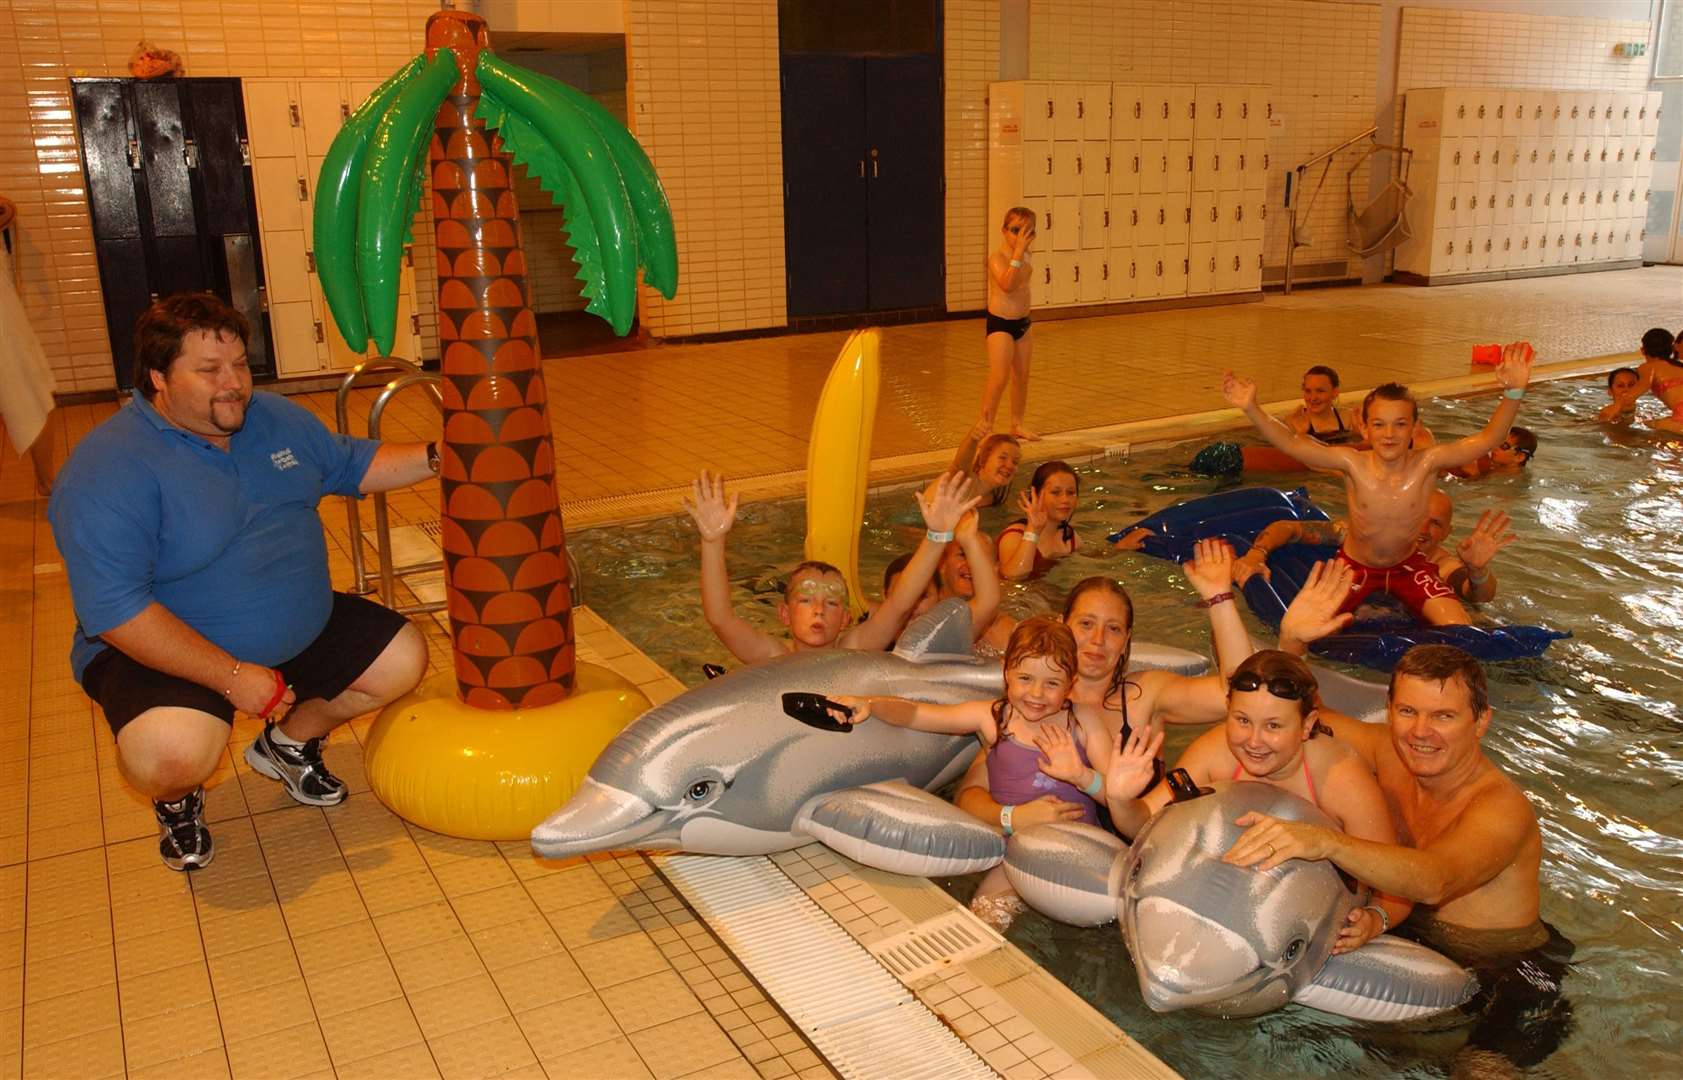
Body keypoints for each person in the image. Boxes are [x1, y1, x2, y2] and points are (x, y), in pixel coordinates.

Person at [46, 293, 433, 871]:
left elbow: (351, 464)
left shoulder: (273, 420)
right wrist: (231, 677)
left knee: (403, 659)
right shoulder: (108, 469)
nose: (233, 385)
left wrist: (443, 455)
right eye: (208, 371)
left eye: (239, 366)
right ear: (158, 377)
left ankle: (287, 744)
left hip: (297, 624)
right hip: (168, 648)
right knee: (168, 757)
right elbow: (117, 612)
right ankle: (178, 802)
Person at [1223, 644, 1570, 1072]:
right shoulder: (1388, 751)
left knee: (1477, 1070)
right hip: (1411, 933)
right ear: (1389, 710)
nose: (1421, 732)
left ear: (1481, 722)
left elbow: (1434, 881)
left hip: (1506, 971)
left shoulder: (1500, 809)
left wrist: (1326, 842)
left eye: (1443, 716)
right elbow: (1277, 714)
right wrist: (1290, 641)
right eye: (1408, 711)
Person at [1105, 649, 1411, 953]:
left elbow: (1399, 880)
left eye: (1273, 726)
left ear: (1307, 724)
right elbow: (1144, 823)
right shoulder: (1215, 753)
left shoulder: (1341, 779)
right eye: (1242, 720)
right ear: (1228, 710)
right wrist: (1119, 799)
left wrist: (1375, 919)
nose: (1253, 741)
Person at [953, 539, 1257, 832]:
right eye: (1086, 624)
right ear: (1062, 625)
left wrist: (1220, 599)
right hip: (1039, 853)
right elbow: (970, 793)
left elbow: (1241, 696)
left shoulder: (1146, 695)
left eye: (1113, 629)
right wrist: (1013, 817)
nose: (1098, 640)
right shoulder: (1031, 703)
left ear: (1126, 640)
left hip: (1133, 850)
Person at [1222, 345, 1534, 626]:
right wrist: (1252, 408)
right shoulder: (1351, 463)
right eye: (1379, 424)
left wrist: (1514, 392)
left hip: (1408, 566)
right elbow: (1291, 443)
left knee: (1459, 628)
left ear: (1414, 428)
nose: (1390, 434)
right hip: (1353, 567)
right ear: (1365, 429)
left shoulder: (1428, 463)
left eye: (1400, 424)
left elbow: (1487, 439)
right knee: (1304, 628)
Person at [833, 616, 1108, 928]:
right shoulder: (993, 718)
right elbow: (920, 714)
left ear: (1070, 685)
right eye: (1026, 679)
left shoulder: (1084, 723)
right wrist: (870, 703)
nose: (1036, 693)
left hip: (1082, 846)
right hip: (1015, 854)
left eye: (1052, 683)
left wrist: (1082, 775)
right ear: (1007, 675)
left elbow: (1116, 794)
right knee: (984, 915)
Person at [684, 470, 981, 663]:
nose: (819, 610)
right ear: (784, 614)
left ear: (846, 618)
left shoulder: (855, 649)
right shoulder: (771, 656)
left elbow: (900, 604)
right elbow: (721, 618)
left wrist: (938, 536)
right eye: (805, 599)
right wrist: (712, 542)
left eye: (832, 602)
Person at [1234, 490, 1516, 606]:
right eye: (1417, 518)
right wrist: (1257, 553)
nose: (1423, 530)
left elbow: (1476, 595)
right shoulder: (1362, 538)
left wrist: (1478, 571)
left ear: (1447, 533)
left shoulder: (1440, 564)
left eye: (1435, 524)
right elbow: (1290, 528)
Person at [878, 509, 1003, 649]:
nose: (910, 606)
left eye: (923, 596)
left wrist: (969, 541)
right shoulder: (871, 640)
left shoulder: (943, 637)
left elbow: (987, 602)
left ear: (938, 597)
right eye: (901, 596)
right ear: (884, 596)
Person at [978, 207, 1039, 440]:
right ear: (1004, 231)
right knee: (999, 376)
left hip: (1022, 324)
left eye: (1027, 232)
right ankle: (986, 427)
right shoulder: (997, 258)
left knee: (1022, 375)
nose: (1020, 237)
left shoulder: (1026, 256)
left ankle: (1017, 424)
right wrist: (1018, 254)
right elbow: (1008, 285)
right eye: (1015, 230)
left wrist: (1022, 253)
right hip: (1000, 324)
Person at [998, 460, 1080, 580]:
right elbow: (1013, 577)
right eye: (1056, 492)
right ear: (1035, 494)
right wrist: (1033, 531)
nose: (1065, 499)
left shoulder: (1069, 537)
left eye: (1071, 492)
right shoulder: (1014, 536)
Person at [1598, 327, 1683, 432]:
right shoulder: (1680, 367)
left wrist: (1617, 406)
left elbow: (1643, 386)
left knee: (1646, 427)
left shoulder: (1649, 367)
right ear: (1672, 348)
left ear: (1643, 350)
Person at [1289, 365, 1362, 445]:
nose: (1313, 398)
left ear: (1335, 392)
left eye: (1320, 391)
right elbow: (1289, 455)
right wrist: (1301, 434)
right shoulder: (1294, 421)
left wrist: (1357, 434)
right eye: (1308, 391)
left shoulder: (1348, 418)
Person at [1447, 425, 1536, 479]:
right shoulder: (1492, 466)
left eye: (1504, 446)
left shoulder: (1514, 484)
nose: (1495, 447)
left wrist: (1473, 475)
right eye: (1497, 442)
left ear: (1520, 457)